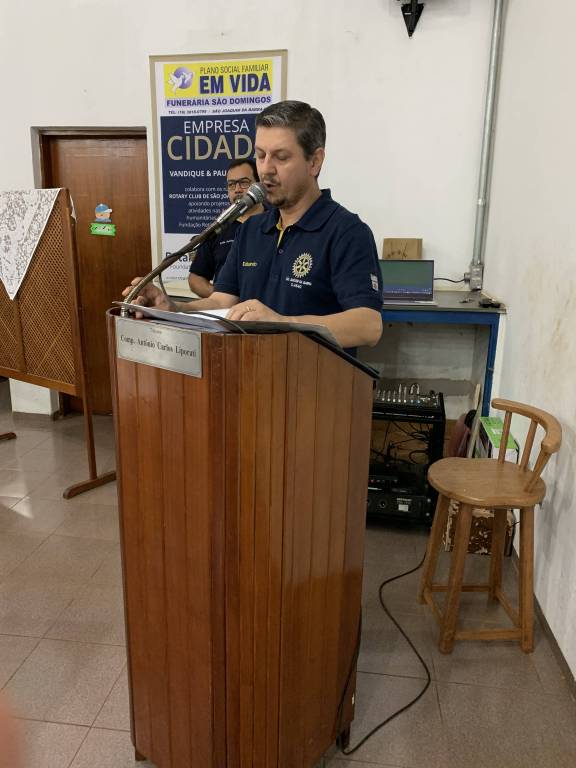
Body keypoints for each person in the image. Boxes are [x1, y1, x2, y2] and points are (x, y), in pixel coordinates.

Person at [125, 100, 383, 350]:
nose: (265, 169)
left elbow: (368, 326)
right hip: (251, 373)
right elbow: (222, 302)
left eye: (281, 157)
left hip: (312, 377)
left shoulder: (347, 231)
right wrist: (174, 308)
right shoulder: (250, 229)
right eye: (260, 155)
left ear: (314, 162)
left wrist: (283, 324)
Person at [188, 158, 263, 297]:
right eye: (231, 184)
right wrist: (223, 297)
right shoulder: (217, 228)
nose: (237, 190)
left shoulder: (278, 221)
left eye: (244, 183)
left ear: (259, 185)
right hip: (226, 309)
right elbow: (195, 279)